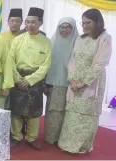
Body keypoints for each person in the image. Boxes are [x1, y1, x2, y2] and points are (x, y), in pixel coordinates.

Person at [58, 8, 112, 154]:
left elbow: (100, 64)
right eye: (83, 23)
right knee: (72, 115)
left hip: (91, 84)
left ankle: (81, 147)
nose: (85, 26)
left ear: (97, 22)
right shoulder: (80, 39)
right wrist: (72, 80)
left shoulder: (104, 38)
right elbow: (72, 61)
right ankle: (68, 145)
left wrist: (83, 83)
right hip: (75, 84)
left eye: (88, 22)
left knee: (87, 116)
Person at [8, 7, 51, 150]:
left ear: (40, 23)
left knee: (34, 112)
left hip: (35, 81)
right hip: (18, 78)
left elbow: (46, 65)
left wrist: (30, 80)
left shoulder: (46, 42)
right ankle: (16, 136)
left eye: (33, 22)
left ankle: (32, 138)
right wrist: (18, 79)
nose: (29, 25)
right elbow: (10, 61)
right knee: (16, 111)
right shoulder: (18, 40)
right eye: (27, 22)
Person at [44, 17, 79, 145]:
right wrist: (46, 83)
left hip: (73, 84)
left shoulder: (78, 43)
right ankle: (51, 137)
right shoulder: (51, 42)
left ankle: (65, 139)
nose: (64, 30)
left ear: (73, 28)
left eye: (67, 27)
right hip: (54, 83)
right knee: (54, 111)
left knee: (69, 112)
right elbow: (46, 64)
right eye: (61, 27)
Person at [1, 8, 23, 111]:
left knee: (19, 107)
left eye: (17, 21)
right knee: (5, 105)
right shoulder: (1, 37)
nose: (14, 23)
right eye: (12, 21)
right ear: (8, 22)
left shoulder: (25, 37)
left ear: (22, 22)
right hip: (5, 75)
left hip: (21, 75)